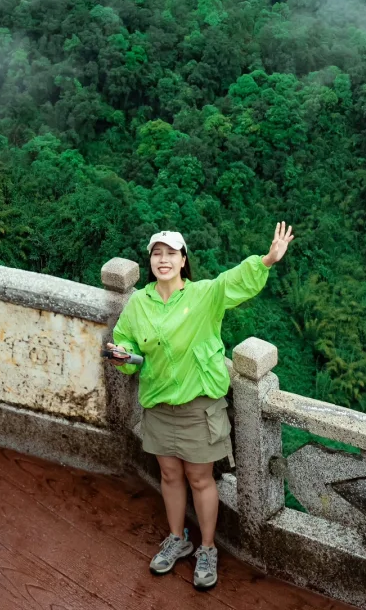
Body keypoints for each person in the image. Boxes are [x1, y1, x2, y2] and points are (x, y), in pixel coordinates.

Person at [105, 221, 295, 591]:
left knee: (200, 478)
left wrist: (267, 260)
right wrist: (122, 356)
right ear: (150, 261)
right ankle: (178, 539)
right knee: (169, 476)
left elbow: (232, 282)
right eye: (157, 254)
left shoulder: (203, 295)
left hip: (199, 406)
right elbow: (127, 345)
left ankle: (207, 548)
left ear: (183, 260)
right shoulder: (139, 304)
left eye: (171, 254)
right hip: (159, 403)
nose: (163, 259)